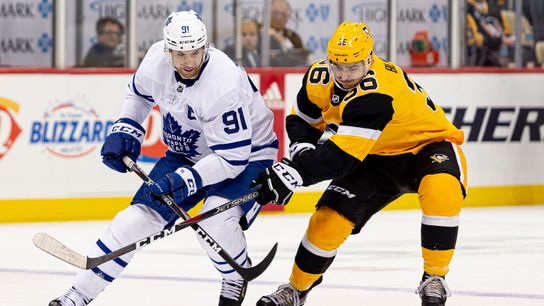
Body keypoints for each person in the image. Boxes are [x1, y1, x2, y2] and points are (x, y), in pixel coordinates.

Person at [49, 10, 278, 306]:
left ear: (205, 46)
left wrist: (187, 180)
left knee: (216, 222)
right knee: (131, 222)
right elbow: (139, 95)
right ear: (167, 49)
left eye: (195, 52)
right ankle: (76, 296)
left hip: (247, 157)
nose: (188, 61)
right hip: (186, 154)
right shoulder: (156, 59)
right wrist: (127, 128)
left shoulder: (223, 84)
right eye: (180, 53)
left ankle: (234, 277)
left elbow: (232, 157)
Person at [252, 22, 467, 306]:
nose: (343, 75)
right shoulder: (318, 77)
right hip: (373, 155)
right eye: (337, 67)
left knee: (443, 190)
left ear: (369, 59)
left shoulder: (378, 91)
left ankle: (434, 276)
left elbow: (340, 158)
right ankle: (295, 289)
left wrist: (295, 173)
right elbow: (302, 120)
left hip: (426, 146)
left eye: (352, 67)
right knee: (327, 221)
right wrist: (301, 153)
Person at [268, 0, 309, 67]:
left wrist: (280, 39)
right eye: (275, 13)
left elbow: (300, 60)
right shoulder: (258, 33)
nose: (279, 17)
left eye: (283, 14)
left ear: (288, 17)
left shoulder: (294, 38)